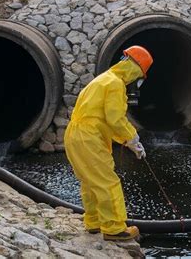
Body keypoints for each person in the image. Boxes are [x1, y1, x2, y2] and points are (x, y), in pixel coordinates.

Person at [64, 45, 153, 240]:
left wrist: (128, 141)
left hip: (75, 133)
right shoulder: (115, 84)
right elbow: (115, 119)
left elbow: (102, 119)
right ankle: (114, 228)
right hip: (89, 137)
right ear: (135, 69)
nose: (136, 81)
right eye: (139, 76)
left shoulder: (102, 79)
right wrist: (133, 138)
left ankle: (94, 222)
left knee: (90, 181)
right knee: (107, 181)